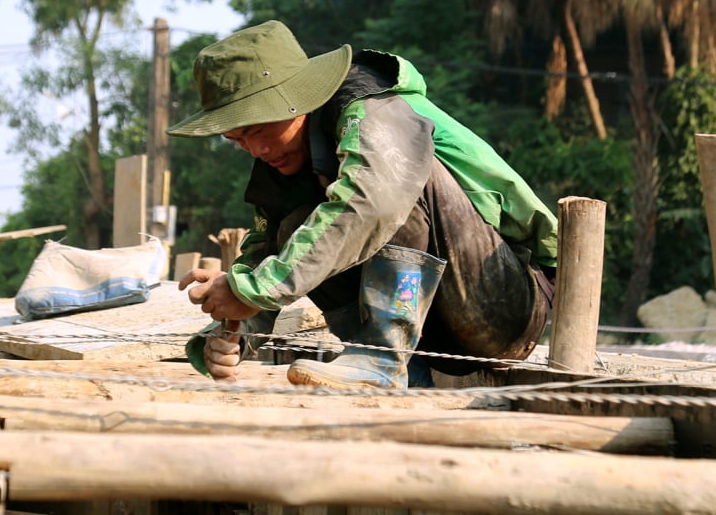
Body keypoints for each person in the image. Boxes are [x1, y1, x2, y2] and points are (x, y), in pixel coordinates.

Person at [168, 20, 558, 389]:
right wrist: (235, 327)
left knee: (386, 189)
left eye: (257, 130)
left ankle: (382, 360)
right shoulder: (282, 160)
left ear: (296, 101)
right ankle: (393, 365)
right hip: (435, 338)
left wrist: (253, 289)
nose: (257, 149)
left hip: (506, 307)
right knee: (297, 226)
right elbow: (268, 253)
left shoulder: (372, 105)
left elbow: (375, 204)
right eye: (237, 140)